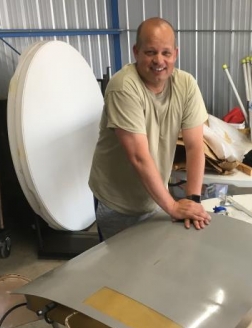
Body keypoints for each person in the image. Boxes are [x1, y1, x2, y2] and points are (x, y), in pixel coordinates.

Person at [89, 17, 211, 240]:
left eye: (166, 53)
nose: (159, 60)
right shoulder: (123, 87)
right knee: (117, 269)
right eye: (150, 52)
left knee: (155, 262)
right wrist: (173, 207)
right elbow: (138, 156)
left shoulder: (186, 85)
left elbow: (195, 147)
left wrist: (192, 201)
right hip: (118, 201)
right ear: (136, 52)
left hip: (155, 196)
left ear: (175, 53)